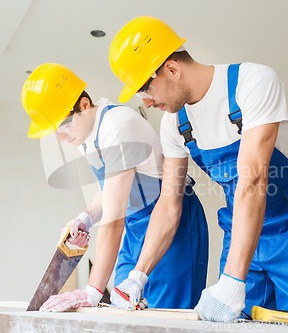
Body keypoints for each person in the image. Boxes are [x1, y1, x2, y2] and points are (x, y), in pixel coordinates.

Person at [108, 16, 288, 323]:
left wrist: (232, 280)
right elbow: (169, 203)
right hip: (239, 226)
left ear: (172, 69)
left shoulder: (252, 82)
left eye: (143, 89)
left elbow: (253, 178)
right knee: (234, 323)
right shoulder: (175, 124)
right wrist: (139, 274)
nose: (146, 102)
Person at [20, 63, 209, 311]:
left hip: (172, 224)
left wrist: (92, 291)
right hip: (135, 227)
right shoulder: (87, 137)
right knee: (123, 313)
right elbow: (111, 192)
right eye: (54, 131)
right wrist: (86, 217)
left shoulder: (116, 126)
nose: (62, 137)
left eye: (63, 126)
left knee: (165, 319)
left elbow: (113, 216)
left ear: (84, 106)